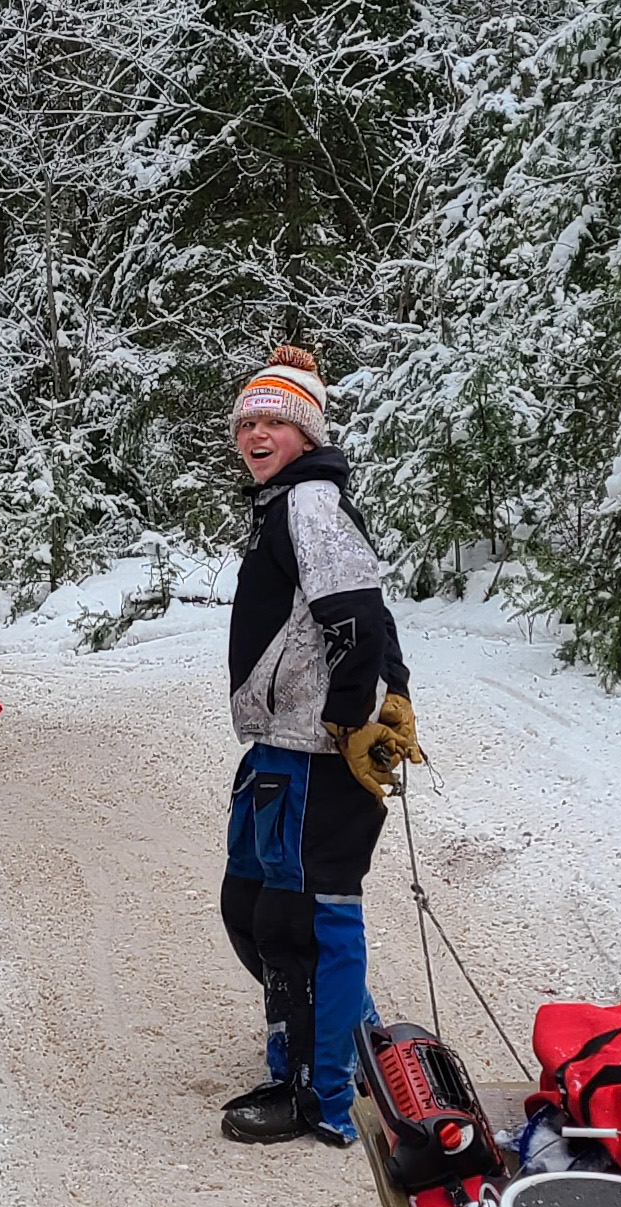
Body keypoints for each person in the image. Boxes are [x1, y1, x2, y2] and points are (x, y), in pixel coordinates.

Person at [219, 345, 423, 1147]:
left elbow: (357, 620)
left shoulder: (308, 502)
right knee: (252, 905)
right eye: (248, 421)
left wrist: (351, 721)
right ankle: (345, 1034)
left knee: (302, 920)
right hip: (283, 745)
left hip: (316, 752)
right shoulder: (290, 503)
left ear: (306, 435)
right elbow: (366, 612)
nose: (258, 433)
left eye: (276, 421)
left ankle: (318, 1095)